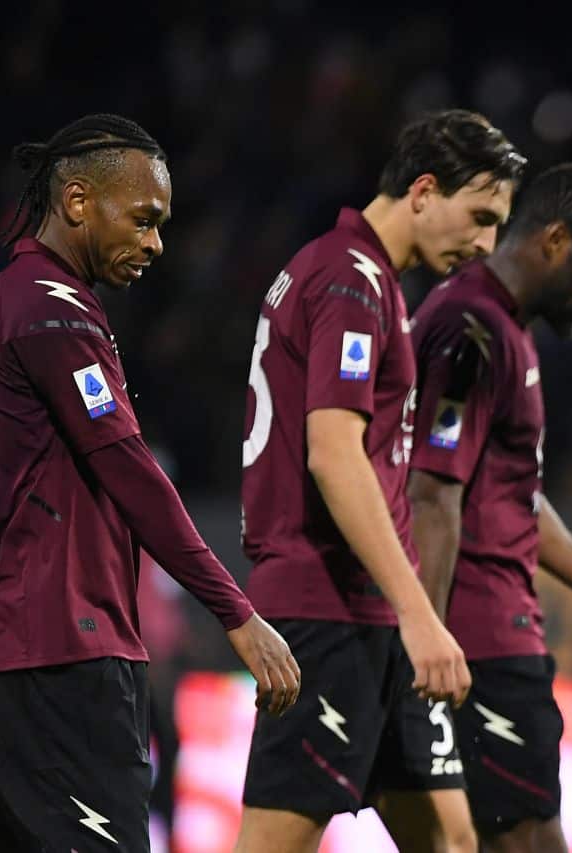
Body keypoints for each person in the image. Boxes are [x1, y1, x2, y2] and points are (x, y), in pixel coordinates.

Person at [0, 114, 300, 853]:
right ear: (78, 201)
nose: (155, 244)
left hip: (26, 653)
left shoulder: (23, 297)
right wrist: (235, 610)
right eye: (143, 220)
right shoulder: (50, 307)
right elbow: (129, 467)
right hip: (57, 653)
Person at [234, 108, 526, 853]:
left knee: (453, 839)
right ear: (424, 190)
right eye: (481, 216)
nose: (487, 244)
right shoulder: (351, 280)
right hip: (326, 608)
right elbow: (333, 452)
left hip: (369, 611)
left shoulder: (359, 277)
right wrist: (420, 611)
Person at [407, 163, 572, 852]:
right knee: (526, 839)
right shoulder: (471, 329)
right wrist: (427, 635)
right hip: (480, 646)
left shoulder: (501, 328)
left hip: (490, 640)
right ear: (554, 240)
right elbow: (433, 493)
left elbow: (512, 495)